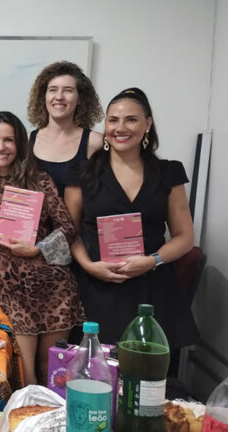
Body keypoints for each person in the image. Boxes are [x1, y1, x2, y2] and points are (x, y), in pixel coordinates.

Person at [0, 112, 84, 385]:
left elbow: (68, 227)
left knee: (53, 372)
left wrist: (38, 248)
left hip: (54, 288)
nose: (1, 147)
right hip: (13, 292)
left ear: (19, 144)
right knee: (25, 374)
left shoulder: (39, 180)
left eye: (8, 140)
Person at [64, 87, 198, 350]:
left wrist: (152, 260)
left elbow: (184, 237)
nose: (120, 128)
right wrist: (89, 266)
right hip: (95, 289)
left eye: (131, 120)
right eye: (113, 120)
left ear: (147, 124)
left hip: (153, 290)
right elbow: (70, 231)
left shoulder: (168, 172)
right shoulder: (81, 173)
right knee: (96, 368)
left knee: (148, 370)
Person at [26, 61, 104, 196]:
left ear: (80, 98)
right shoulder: (26, 140)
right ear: (44, 96)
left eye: (68, 90)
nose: (59, 97)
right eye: (53, 90)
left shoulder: (95, 142)